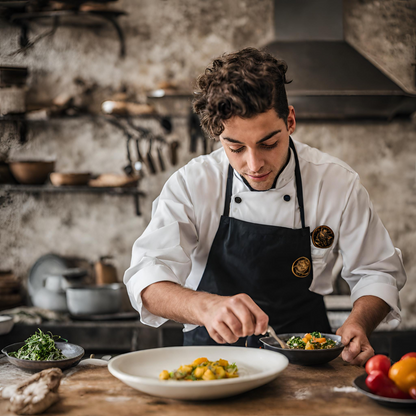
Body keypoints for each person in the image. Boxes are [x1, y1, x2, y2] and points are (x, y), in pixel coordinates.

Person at [124, 47, 406, 365]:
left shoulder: (336, 182)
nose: (254, 163)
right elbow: (147, 277)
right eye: (235, 147)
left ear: (290, 121)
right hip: (212, 363)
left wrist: (359, 322)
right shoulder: (192, 183)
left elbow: (376, 270)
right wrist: (204, 306)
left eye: (268, 143)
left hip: (306, 361)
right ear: (218, 137)